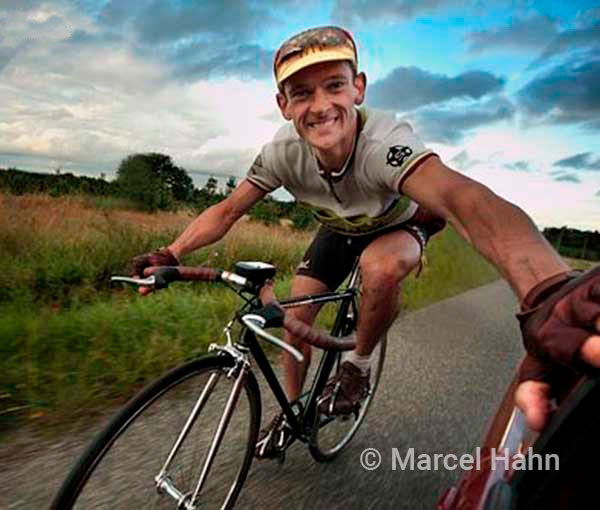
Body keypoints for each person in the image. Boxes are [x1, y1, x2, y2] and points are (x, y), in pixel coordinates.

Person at [132, 26, 600, 461]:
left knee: (379, 267)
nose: (319, 106)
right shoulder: (281, 153)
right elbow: (227, 211)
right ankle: (291, 413)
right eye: (301, 93)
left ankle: (356, 366)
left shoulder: (385, 143)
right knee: (295, 320)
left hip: (400, 225)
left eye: (334, 86)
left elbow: (464, 199)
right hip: (340, 226)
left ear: (358, 88)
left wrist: (546, 290)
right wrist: (171, 253)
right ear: (283, 104)